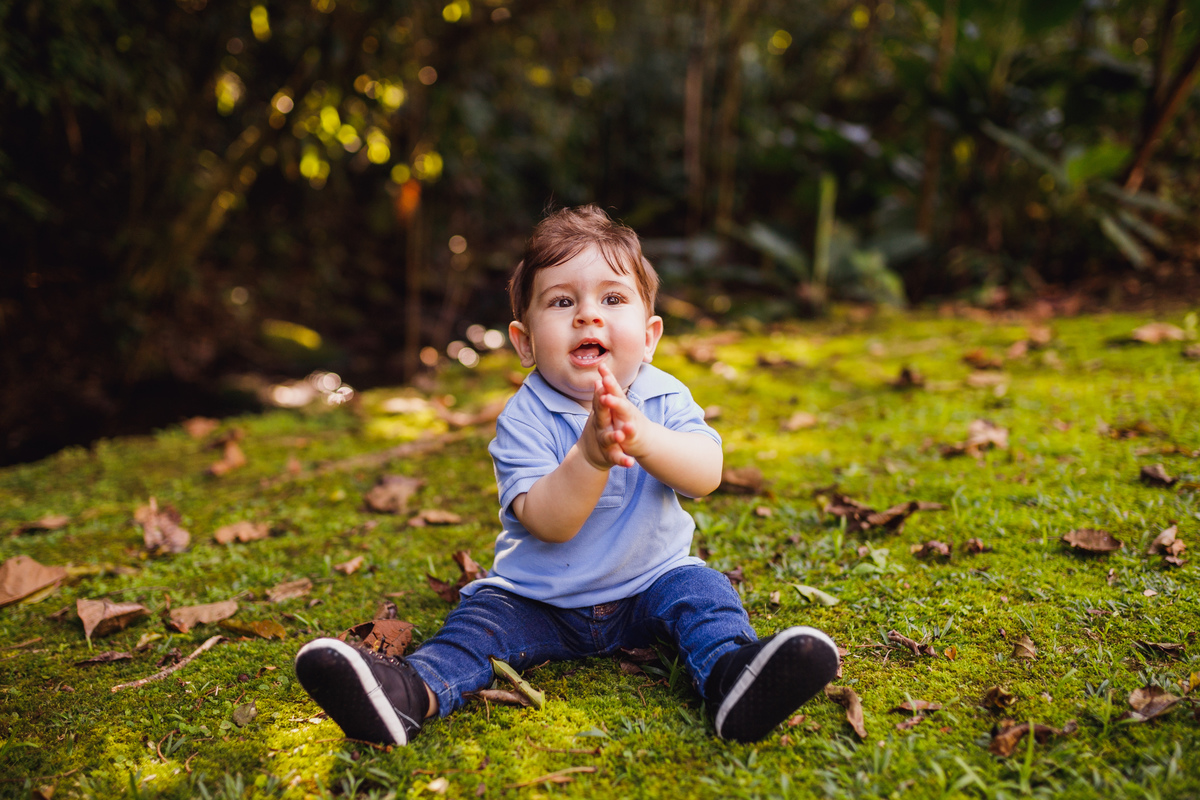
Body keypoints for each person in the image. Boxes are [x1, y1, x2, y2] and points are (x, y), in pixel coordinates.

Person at [294, 205, 839, 746]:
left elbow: (706, 476)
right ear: (525, 341)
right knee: (476, 628)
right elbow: (550, 524)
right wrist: (592, 457)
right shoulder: (524, 418)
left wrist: (645, 439)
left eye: (613, 298)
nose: (587, 315)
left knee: (704, 594)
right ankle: (407, 695)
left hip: (651, 583)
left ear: (649, 335)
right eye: (561, 301)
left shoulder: (664, 395)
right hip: (539, 602)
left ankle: (732, 678)